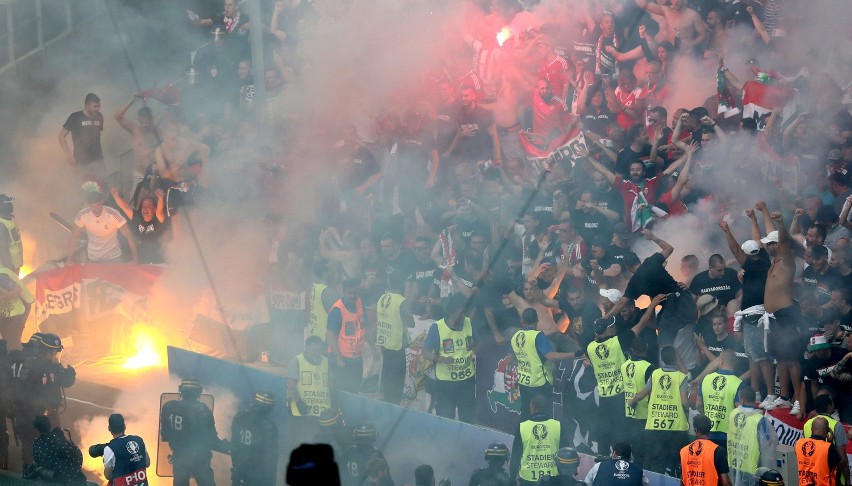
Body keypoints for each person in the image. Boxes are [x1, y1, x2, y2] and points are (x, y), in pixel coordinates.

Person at [588, 296, 661, 451]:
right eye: (612, 326)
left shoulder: (590, 347)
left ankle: (602, 458)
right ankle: (620, 459)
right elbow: (641, 324)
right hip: (620, 395)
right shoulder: (618, 342)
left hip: (603, 396)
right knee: (621, 431)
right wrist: (652, 305)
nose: (615, 327)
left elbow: (596, 338)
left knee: (605, 429)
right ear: (607, 330)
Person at [605, 230, 696, 345]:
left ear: (627, 267)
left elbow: (621, 303)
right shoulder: (652, 261)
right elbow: (669, 248)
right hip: (685, 300)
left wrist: (605, 318)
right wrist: (653, 237)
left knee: (665, 343)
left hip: (672, 308)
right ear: (638, 259)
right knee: (691, 335)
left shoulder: (634, 283)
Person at [719, 217, 773, 407]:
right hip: (754, 314)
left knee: (761, 356)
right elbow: (758, 241)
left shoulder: (750, 265)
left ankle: (770, 395)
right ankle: (757, 392)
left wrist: (727, 231)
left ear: (747, 254)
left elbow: (734, 249)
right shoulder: (765, 259)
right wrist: (753, 220)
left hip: (756, 315)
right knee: (752, 355)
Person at [761, 210, 804, 416]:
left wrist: (781, 222)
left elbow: (784, 240)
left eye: (769, 244)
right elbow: (774, 235)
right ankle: (785, 398)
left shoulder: (787, 260)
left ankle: (797, 399)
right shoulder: (775, 260)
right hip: (774, 318)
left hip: (787, 315)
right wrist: (764, 213)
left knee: (792, 358)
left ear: (777, 245)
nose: (765, 246)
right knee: (781, 357)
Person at [627, 345, 689, 475]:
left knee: (656, 462)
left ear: (662, 358)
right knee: (675, 463)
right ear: (675, 359)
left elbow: (641, 394)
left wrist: (631, 401)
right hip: (676, 428)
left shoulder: (655, 374)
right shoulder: (681, 377)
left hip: (655, 426)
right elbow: (684, 402)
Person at [16, 333, 76, 465]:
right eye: (52, 353)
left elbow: (67, 382)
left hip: (52, 414)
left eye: (57, 353)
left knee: (56, 446)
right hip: (35, 417)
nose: (55, 356)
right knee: (32, 449)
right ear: (43, 351)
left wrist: (68, 370)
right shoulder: (31, 366)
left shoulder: (55, 366)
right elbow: (21, 392)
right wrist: (37, 407)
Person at [160, 378, 228, 486]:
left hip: (179, 458)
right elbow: (211, 439)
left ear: (181, 391)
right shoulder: (202, 410)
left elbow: (165, 435)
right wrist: (228, 447)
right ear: (198, 393)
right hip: (199, 460)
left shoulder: (169, 407)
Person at [512, 308, 578, 418]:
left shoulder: (516, 336)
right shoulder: (538, 336)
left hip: (523, 381)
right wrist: (573, 354)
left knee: (525, 414)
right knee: (543, 416)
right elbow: (550, 356)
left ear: (522, 321)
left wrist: (524, 362)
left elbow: (511, 358)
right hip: (540, 383)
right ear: (537, 321)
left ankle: (522, 434)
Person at [423, 295, 476, 422]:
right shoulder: (437, 327)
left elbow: (478, 344)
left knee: (468, 417)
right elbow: (425, 352)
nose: (463, 316)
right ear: (452, 313)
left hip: (467, 380)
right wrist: (440, 359)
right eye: (460, 313)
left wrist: (474, 346)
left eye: (464, 313)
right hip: (446, 382)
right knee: (446, 418)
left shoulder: (469, 323)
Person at [66, 183, 138, 265]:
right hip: (93, 259)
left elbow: (129, 234)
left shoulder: (112, 214)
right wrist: (69, 259)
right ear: (89, 205)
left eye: (98, 205)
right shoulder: (83, 215)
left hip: (114, 258)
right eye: (93, 206)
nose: (96, 209)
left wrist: (135, 259)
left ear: (102, 202)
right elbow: (74, 236)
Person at [726, 386, 778, 486]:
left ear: (741, 400)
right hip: (752, 466)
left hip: (734, 462)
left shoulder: (733, 413)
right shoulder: (760, 419)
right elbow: (768, 443)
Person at [510, 395, 565, 485]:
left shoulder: (522, 427)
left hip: (527, 480)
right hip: (553, 480)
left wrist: (512, 478)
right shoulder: (558, 426)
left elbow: (515, 456)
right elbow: (565, 453)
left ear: (533, 407)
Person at [376, 283, 415, 405]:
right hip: (397, 343)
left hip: (384, 340)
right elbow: (411, 322)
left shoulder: (381, 298)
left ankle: (386, 399)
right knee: (397, 376)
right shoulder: (402, 301)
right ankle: (394, 402)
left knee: (387, 372)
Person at [697, 350, 743, 449]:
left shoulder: (706, 379)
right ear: (734, 365)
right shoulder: (738, 383)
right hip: (728, 435)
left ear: (720, 361)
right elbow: (740, 410)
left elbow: (698, 405)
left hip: (707, 433)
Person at [230, 392, 278, 486]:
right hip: (257, 476)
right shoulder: (269, 426)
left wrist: (236, 466)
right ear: (269, 408)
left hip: (239, 470)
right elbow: (271, 458)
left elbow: (234, 444)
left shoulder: (240, 416)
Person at [326, 278, 365, 395]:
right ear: (344, 292)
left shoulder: (359, 302)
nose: (353, 296)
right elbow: (330, 334)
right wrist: (338, 358)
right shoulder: (337, 310)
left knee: (355, 390)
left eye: (355, 293)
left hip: (356, 357)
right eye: (350, 293)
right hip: (342, 359)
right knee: (341, 391)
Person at [621, 339, 656, 468]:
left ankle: (635, 470)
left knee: (635, 447)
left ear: (632, 349)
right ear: (645, 347)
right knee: (646, 448)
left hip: (629, 410)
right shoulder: (649, 367)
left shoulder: (624, 365)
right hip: (645, 412)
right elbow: (652, 390)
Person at [110, 187, 168, 264]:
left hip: (158, 260)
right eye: (143, 207)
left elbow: (159, 211)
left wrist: (160, 198)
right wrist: (116, 196)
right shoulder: (138, 217)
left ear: (154, 209)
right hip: (142, 259)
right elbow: (125, 207)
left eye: (148, 207)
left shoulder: (158, 219)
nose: (145, 209)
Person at [803, 395, 850, 486]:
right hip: (833, 479)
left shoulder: (807, 424)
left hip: (812, 477)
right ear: (829, 406)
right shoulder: (836, 425)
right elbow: (843, 459)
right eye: (832, 403)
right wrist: (847, 479)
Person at [25, 415, 86, 485]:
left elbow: (38, 462)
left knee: (35, 468)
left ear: (37, 429)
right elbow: (76, 453)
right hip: (76, 476)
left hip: (58, 478)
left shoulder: (37, 442)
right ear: (50, 424)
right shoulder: (60, 437)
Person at [58, 93, 105, 180]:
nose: (98, 109)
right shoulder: (75, 117)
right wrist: (68, 155)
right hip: (81, 162)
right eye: (95, 106)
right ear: (87, 105)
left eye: (99, 106)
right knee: (83, 189)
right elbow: (61, 136)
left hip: (98, 161)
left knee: (101, 187)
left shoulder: (99, 116)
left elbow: (98, 136)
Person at [680, 415, 732, 486]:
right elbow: (726, 482)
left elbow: (682, 479)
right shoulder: (718, 451)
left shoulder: (683, 451)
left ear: (695, 430)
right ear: (709, 429)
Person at [287, 336, 331, 417]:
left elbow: (332, 385)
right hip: (301, 412)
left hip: (323, 413)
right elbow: (291, 385)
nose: (317, 354)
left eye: (320, 351)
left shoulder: (326, 361)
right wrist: (299, 402)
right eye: (314, 351)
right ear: (306, 348)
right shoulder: (296, 361)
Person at [103, 413, 150, 486]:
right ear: (124, 427)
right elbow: (147, 463)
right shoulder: (138, 440)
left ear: (109, 428)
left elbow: (108, 476)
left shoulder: (109, 449)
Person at [795, 418, 841, 486]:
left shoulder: (798, 443)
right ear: (827, 431)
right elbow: (838, 461)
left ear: (811, 430)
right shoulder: (828, 447)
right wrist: (831, 443)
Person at [0, 260, 34, 348]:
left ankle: (17, 358)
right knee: (7, 339)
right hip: (9, 310)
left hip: (19, 309)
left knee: (11, 340)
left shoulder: (2, 276)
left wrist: (2, 296)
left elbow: (17, 289)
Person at [308, 259, 338, 342]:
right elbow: (338, 317)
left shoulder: (314, 287)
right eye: (331, 269)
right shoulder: (328, 292)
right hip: (327, 339)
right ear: (325, 274)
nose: (334, 272)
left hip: (316, 335)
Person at [0, 194, 23, 276]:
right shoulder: (1, 225)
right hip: (8, 269)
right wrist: (10, 269)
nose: (11, 205)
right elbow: (3, 250)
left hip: (15, 266)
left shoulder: (8, 220)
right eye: (8, 204)